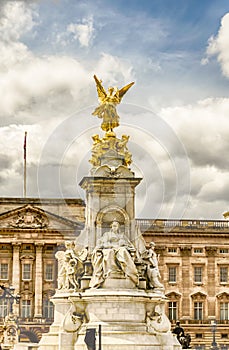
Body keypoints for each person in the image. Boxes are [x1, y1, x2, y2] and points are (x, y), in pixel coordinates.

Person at [89, 220, 139, 288]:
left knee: (123, 251)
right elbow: (104, 243)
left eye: (116, 226)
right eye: (113, 226)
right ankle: (111, 271)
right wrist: (112, 246)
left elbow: (128, 244)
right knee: (110, 252)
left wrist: (124, 245)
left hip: (119, 248)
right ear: (111, 227)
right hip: (109, 248)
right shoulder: (107, 234)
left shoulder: (122, 235)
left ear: (118, 227)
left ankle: (128, 271)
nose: (114, 227)